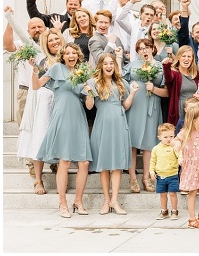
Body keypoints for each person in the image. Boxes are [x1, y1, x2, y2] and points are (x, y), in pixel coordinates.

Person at [33, 43, 93, 218]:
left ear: (78, 56)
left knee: (84, 163)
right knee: (64, 162)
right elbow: (37, 86)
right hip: (62, 116)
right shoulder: (56, 68)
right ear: (63, 56)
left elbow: (89, 106)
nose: (71, 55)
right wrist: (35, 71)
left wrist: (89, 92)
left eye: (74, 53)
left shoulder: (82, 73)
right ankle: (62, 204)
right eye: (67, 53)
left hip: (79, 118)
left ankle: (78, 202)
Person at [85, 53, 139, 215]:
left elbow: (126, 106)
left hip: (119, 123)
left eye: (111, 63)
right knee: (104, 165)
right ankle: (106, 200)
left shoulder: (121, 82)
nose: (109, 66)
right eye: (105, 63)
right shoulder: (93, 82)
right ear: (100, 65)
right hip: (103, 124)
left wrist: (133, 92)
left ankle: (115, 200)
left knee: (117, 164)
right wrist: (88, 92)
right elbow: (89, 107)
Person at [14, 26, 62, 191]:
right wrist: (8, 17)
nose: (55, 42)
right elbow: (21, 34)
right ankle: (39, 180)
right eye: (50, 40)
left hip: (63, 103)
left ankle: (58, 170)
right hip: (45, 102)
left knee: (60, 138)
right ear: (46, 44)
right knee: (40, 136)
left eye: (57, 38)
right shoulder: (43, 59)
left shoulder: (70, 56)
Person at [125, 38, 168, 193]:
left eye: (147, 47)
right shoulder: (133, 65)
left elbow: (167, 92)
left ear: (152, 48)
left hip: (152, 105)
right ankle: (132, 178)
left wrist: (154, 89)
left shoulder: (160, 66)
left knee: (149, 144)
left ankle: (146, 178)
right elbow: (122, 82)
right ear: (137, 51)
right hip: (135, 104)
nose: (144, 50)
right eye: (141, 48)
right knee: (132, 144)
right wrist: (130, 87)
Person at [149, 123, 181, 221]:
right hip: (161, 176)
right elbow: (152, 161)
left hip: (172, 175)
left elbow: (180, 154)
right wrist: (151, 171)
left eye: (171, 136)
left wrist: (180, 160)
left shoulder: (174, 147)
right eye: (165, 137)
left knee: (172, 193)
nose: (169, 139)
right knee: (162, 194)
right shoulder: (156, 149)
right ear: (159, 137)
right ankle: (164, 211)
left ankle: (174, 211)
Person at [162, 45, 199, 127]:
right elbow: (168, 78)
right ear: (178, 57)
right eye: (184, 56)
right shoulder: (175, 74)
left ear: (192, 59)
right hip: (180, 111)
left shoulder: (195, 75)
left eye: (189, 56)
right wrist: (166, 66)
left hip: (194, 111)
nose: (186, 59)